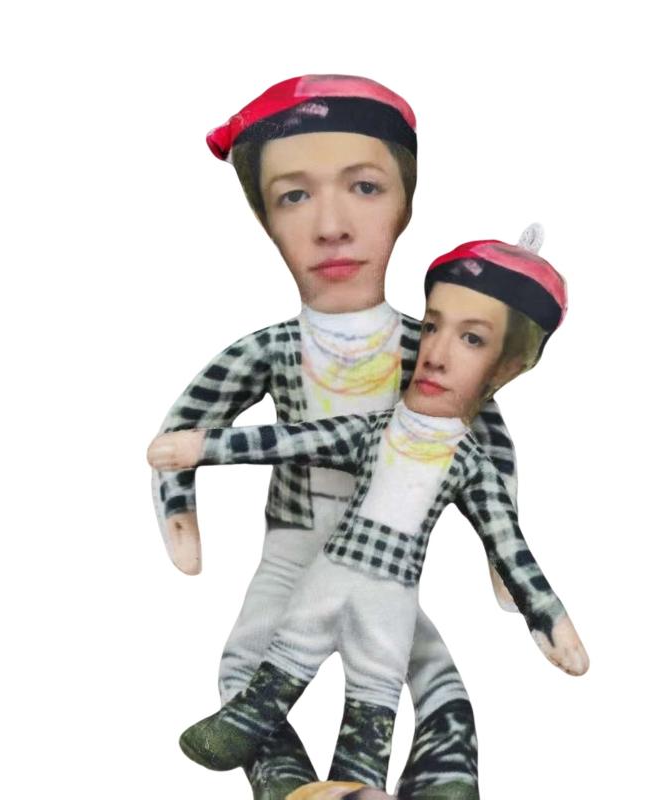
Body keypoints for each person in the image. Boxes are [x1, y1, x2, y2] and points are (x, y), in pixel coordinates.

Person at [151, 75, 520, 800]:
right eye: (293, 196)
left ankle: (441, 776)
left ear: (406, 201)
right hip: (293, 546)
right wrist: (179, 510)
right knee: (247, 664)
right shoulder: (272, 349)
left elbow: (488, 439)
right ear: (264, 217)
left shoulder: (430, 352)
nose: (331, 226)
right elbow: (191, 421)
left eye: (365, 188)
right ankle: (288, 783)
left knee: (415, 665)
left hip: (389, 551)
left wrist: (501, 545)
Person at [150, 236, 589, 798]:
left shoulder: (472, 467)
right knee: (282, 662)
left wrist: (550, 619)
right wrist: (203, 447)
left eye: (471, 339)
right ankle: (246, 726)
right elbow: (296, 439)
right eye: (432, 327)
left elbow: (510, 545)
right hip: (327, 574)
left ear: (507, 367)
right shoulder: (374, 430)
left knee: (373, 698)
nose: (436, 352)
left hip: (391, 599)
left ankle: (359, 784)